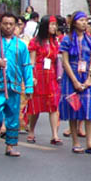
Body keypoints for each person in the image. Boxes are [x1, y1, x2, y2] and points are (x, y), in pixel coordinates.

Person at [58, 12, 91, 154]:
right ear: (75, 23)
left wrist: (89, 79)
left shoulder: (90, 40)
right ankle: (75, 142)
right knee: (73, 110)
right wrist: (75, 81)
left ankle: (89, 143)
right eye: (81, 20)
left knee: (89, 110)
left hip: (87, 77)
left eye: (86, 20)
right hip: (72, 77)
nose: (84, 23)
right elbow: (65, 62)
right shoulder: (67, 40)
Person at [0, 13, 34, 157]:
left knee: (13, 116)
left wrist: (29, 86)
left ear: (16, 26)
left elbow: (26, 67)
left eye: (11, 24)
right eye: (5, 23)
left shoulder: (21, 46)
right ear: (1, 25)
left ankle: (10, 146)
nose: (8, 26)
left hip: (14, 86)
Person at [24, 16, 62, 145]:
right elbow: (32, 62)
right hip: (38, 75)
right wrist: (31, 77)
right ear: (45, 26)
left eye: (55, 25)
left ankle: (55, 135)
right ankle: (31, 131)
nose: (54, 27)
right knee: (36, 105)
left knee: (53, 104)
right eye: (51, 25)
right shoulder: (35, 42)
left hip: (51, 75)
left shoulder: (55, 42)